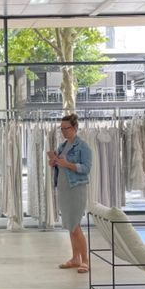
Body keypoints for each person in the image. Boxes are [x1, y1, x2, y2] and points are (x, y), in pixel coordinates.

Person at [48, 113, 92, 274]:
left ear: (74, 128)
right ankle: (75, 258)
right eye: (61, 129)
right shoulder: (62, 146)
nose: (63, 131)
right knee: (70, 226)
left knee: (75, 225)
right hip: (64, 189)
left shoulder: (83, 147)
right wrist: (54, 162)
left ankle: (85, 260)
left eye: (66, 128)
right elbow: (59, 165)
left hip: (76, 189)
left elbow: (86, 168)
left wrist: (67, 164)